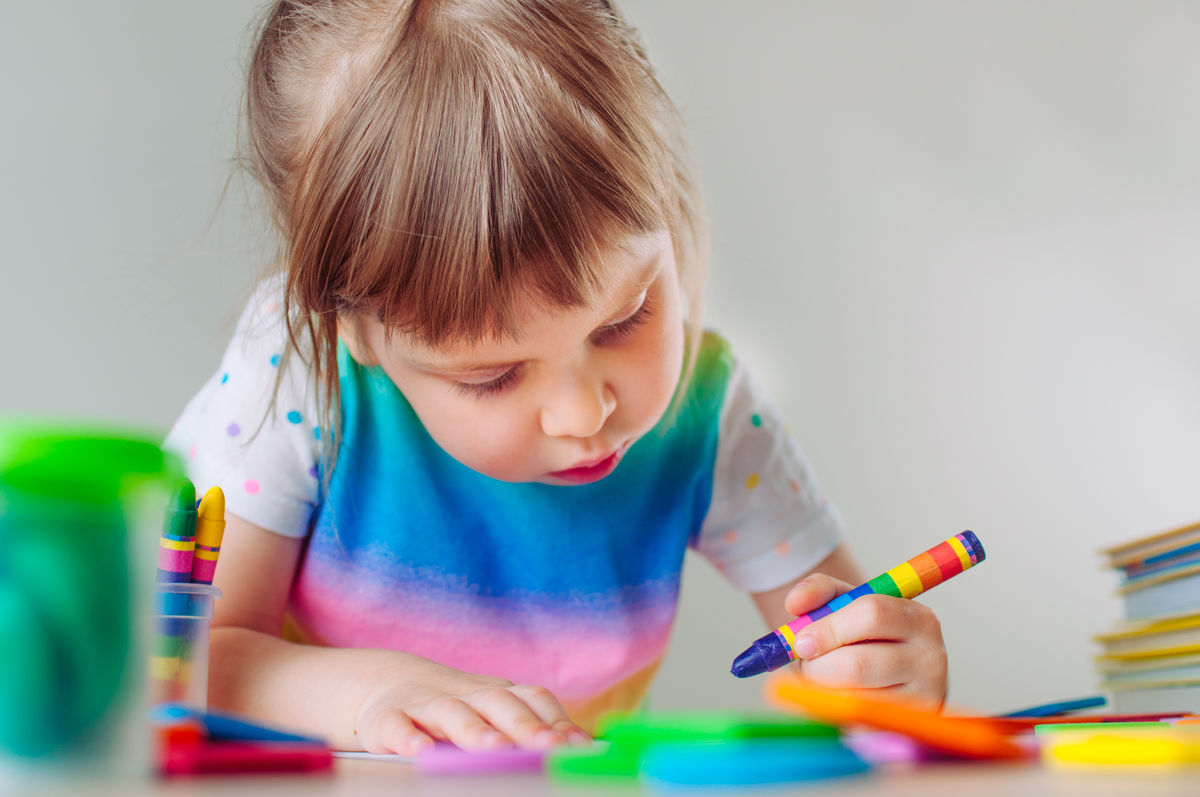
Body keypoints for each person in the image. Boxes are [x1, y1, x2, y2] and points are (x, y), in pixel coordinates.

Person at [166, 0, 948, 756]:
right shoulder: (303, 374)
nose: (584, 411)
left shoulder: (709, 408)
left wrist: (878, 681)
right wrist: (372, 694)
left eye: (624, 319)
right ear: (355, 326)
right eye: (493, 376)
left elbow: (836, 652)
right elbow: (183, 657)